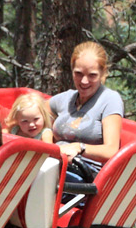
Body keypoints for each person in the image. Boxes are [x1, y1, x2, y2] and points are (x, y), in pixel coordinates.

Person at [48, 40, 124, 182]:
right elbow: (37, 109)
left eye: (92, 75)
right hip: (56, 165)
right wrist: (47, 143)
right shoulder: (66, 98)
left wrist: (79, 148)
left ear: (102, 73)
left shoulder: (110, 100)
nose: (84, 81)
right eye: (78, 74)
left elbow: (111, 150)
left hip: (85, 175)